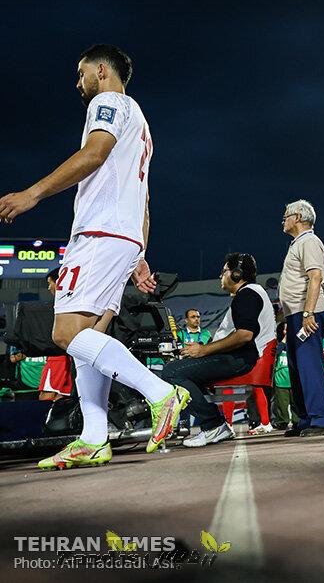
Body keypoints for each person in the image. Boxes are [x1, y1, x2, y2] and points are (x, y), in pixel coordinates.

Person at [0, 45, 189, 469]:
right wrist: (139, 252)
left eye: (80, 73)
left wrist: (32, 194)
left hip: (99, 233)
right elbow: (144, 199)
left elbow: (93, 154)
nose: (77, 82)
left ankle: (161, 393)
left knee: (66, 333)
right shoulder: (141, 122)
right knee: (88, 339)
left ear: (101, 70)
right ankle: (93, 437)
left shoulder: (109, 103)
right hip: (123, 237)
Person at [164, 253, 276, 447]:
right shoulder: (251, 293)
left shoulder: (247, 294)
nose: (220, 276)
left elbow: (244, 335)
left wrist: (203, 350)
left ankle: (213, 425)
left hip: (241, 358)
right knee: (187, 370)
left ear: (236, 274)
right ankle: (213, 424)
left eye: (224, 271)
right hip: (240, 356)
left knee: (171, 372)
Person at [279, 199, 324, 436]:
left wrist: (308, 312)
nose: (283, 220)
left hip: (307, 314)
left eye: (286, 215)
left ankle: (321, 418)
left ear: (298, 217)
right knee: (297, 369)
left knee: (309, 366)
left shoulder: (309, 241)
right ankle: (306, 418)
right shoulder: (298, 243)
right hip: (296, 315)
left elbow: (315, 277)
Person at [38, 269, 72, 400]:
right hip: (74, 359)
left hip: (58, 358)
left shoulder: (57, 307)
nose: (49, 288)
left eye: (49, 283)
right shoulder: (77, 302)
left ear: (59, 282)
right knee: (64, 398)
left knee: (46, 397)